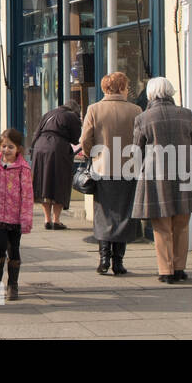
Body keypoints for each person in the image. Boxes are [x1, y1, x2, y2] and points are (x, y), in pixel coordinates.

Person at [131, 76, 192, 283]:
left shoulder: (144, 118)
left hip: (155, 174)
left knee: (162, 225)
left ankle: (165, 271)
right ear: (171, 91)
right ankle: (179, 269)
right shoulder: (185, 114)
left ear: (150, 94)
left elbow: (136, 150)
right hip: (185, 172)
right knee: (182, 224)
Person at [80, 72, 143, 275]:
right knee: (124, 214)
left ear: (105, 88)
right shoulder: (135, 110)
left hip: (102, 169)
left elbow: (85, 140)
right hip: (128, 169)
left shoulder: (94, 109)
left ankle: (103, 259)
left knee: (103, 213)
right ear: (123, 87)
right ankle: (118, 262)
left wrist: (93, 155)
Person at [0, 128, 33, 300]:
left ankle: (13, 285)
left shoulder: (23, 168)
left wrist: (26, 218)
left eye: (11, 147)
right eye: (4, 146)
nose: (6, 150)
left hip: (15, 216)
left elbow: (27, 195)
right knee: (0, 246)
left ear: (18, 149)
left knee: (14, 249)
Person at [30, 101, 82, 229]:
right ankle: (56, 220)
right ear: (76, 110)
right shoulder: (72, 116)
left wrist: (33, 151)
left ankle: (47, 220)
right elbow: (76, 138)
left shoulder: (49, 113)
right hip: (58, 148)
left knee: (43, 184)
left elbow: (36, 133)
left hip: (39, 147)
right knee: (60, 183)